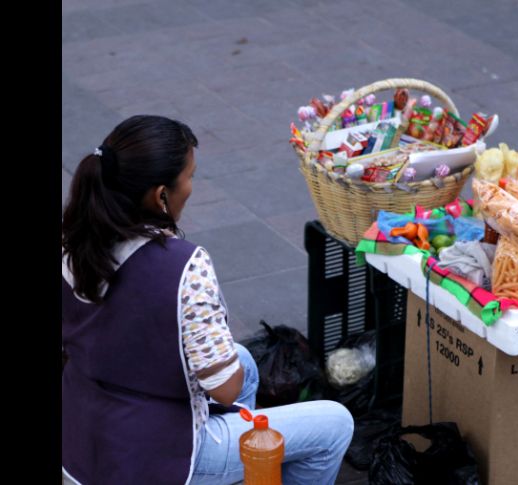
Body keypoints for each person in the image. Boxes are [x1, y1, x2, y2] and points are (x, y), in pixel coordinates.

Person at [61, 115, 354, 485]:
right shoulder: (184, 266)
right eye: (190, 177)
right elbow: (225, 388)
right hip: (152, 461)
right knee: (334, 423)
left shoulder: (73, 236)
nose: (191, 187)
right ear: (160, 195)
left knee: (244, 360)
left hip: (82, 433)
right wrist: (209, 325)